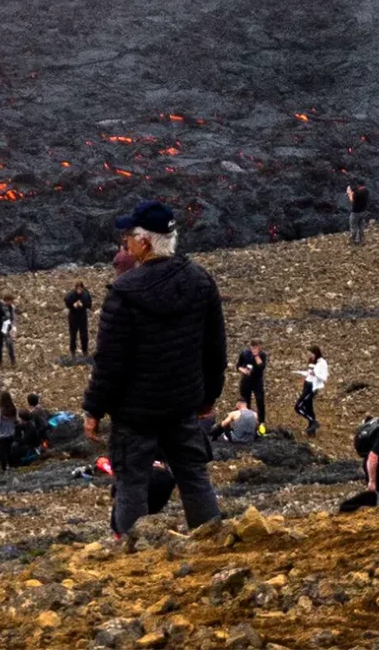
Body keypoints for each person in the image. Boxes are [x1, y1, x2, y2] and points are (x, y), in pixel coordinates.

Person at [83, 199, 226, 541]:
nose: (126, 244)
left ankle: (133, 554)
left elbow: (110, 362)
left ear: (144, 242)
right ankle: (212, 543)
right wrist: (208, 397)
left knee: (131, 481)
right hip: (183, 404)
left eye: (129, 237)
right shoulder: (200, 282)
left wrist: (94, 409)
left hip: (135, 413)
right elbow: (214, 349)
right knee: (193, 475)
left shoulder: (124, 293)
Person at [294, 346, 328, 438]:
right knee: (309, 408)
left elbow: (324, 378)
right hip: (307, 384)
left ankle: (313, 422)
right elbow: (309, 373)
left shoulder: (322, 363)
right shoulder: (312, 361)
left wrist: (315, 374)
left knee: (298, 406)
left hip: (312, 387)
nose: (310, 356)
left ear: (316, 353)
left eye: (311, 354)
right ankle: (311, 431)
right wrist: (300, 372)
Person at [235, 342, 267, 419]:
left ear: (259, 347)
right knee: (245, 401)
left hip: (257, 381)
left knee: (260, 401)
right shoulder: (244, 353)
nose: (254, 349)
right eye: (253, 348)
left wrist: (256, 355)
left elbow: (261, 367)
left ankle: (261, 421)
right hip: (246, 380)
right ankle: (247, 419)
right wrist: (243, 370)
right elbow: (238, 366)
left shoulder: (262, 354)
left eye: (256, 348)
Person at [65, 281, 94, 355]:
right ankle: (72, 351)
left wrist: (83, 305)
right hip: (73, 316)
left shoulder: (85, 294)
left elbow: (89, 304)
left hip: (82, 316)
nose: (79, 291)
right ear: (75, 288)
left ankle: (85, 350)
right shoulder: (71, 294)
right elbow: (66, 301)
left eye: (80, 289)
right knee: (73, 335)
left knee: (84, 334)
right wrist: (73, 305)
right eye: (78, 289)